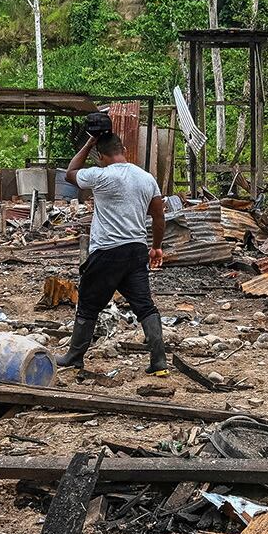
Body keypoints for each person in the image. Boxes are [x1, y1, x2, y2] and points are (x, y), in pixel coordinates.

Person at [57, 118, 168, 375]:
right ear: (125, 151)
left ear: (101, 156)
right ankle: (159, 361)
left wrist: (88, 143)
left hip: (107, 250)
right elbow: (159, 215)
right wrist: (157, 247)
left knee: (88, 303)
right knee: (144, 305)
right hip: (136, 250)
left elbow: (70, 174)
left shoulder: (100, 176)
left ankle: (74, 356)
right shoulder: (146, 178)